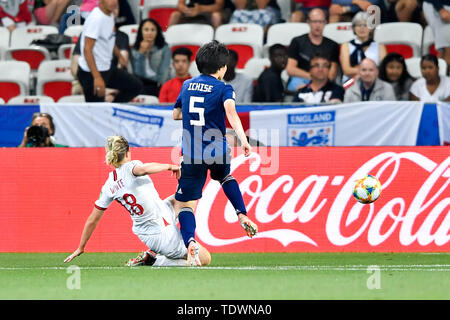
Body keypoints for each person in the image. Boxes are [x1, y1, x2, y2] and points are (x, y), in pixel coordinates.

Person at [64, 135, 211, 267]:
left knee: (189, 196)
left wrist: (81, 247)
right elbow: (144, 169)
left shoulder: (108, 186)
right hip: (159, 234)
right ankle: (156, 261)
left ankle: (160, 250)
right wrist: (169, 166)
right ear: (128, 152)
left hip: (159, 214)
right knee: (204, 259)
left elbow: (92, 219)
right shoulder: (131, 167)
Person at [172, 40, 258, 266]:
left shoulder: (187, 85)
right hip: (217, 149)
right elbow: (231, 111)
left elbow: (176, 114)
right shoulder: (224, 88)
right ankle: (241, 213)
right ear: (223, 68)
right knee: (225, 177)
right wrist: (243, 139)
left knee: (185, 205)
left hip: (191, 152)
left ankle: (190, 241)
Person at [77, 0, 142, 103]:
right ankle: (106, 112)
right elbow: (87, 49)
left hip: (106, 67)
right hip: (91, 72)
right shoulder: (96, 19)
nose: (114, 2)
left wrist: (120, 56)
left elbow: (109, 38)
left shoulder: (110, 14)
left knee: (135, 86)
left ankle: (112, 109)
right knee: (96, 111)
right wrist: (97, 78)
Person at [71, 5, 130, 101]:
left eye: (116, 8)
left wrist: (107, 84)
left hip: (110, 78)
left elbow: (122, 63)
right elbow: (75, 66)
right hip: (88, 78)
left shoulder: (122, 36)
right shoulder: (88, 33)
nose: (113, 10)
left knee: (129, 86)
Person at [286, 8, 340, 92]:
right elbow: (290, 69)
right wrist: (313, 77)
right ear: (308, 22)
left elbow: (332, 74)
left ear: (326, 23)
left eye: (321, 22)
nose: (317, 25)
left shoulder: (333, 45)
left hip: (324, 80)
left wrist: (319, 80)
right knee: (303, 89)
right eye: (314, 22)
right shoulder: (297, 41)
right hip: (301, 79)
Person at [339, 11, 387, 84]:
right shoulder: (346, 45)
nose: (362, 28)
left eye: (365, 25)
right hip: (350, 82)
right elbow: (346, 70)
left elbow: (383, 69)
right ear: (354, 28)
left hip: (374, 82)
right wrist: (370, 71)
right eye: (359, 25)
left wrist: (358, 70)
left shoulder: (379, 46)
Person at [131, 18, 171, 97]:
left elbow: (163, 76)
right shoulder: (134, 51)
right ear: (141, 32)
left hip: (158, 85)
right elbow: (137, 73)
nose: (149, 33)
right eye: (146, 30)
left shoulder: (164, 49)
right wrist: (141, 53)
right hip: (140, 85)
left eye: (153, 30)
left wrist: (149, 80)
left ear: (157, 32)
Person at [422, 0, 450, 72]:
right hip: (438, 6)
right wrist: (440, 9)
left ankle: (436, 79)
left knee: (444, 52)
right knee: (448, 49)